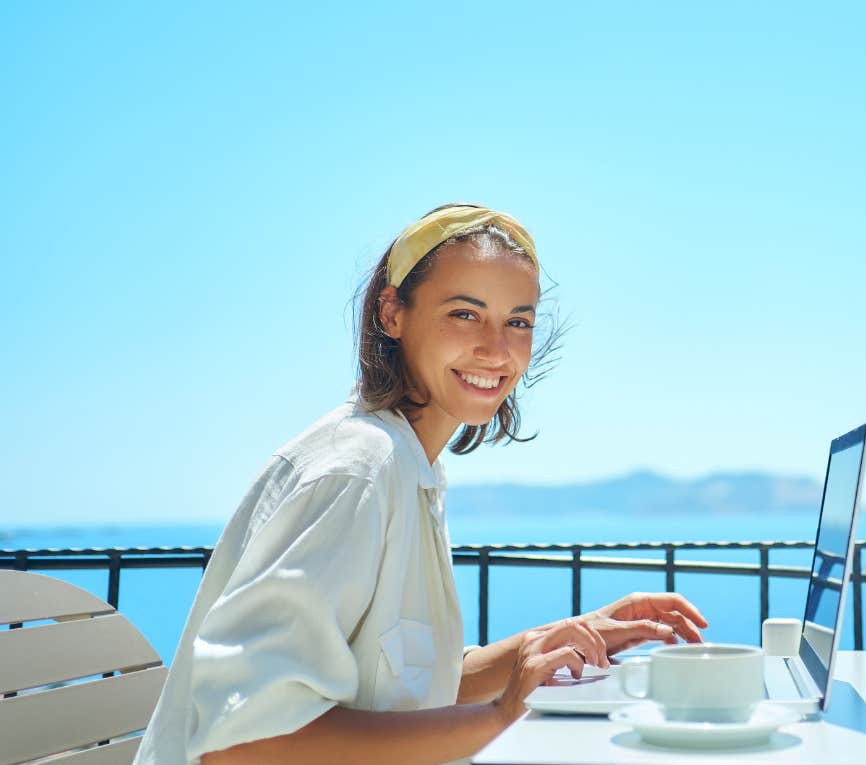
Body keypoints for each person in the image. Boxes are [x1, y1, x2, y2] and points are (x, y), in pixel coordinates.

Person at [134, 203, 709, 765]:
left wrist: (565, 638)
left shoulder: (410, 464)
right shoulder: (358, 471)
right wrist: (498, 717)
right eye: (465, 314)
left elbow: (411, 689)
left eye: (518, 322)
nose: (496, 348)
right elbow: (245, 747)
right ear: (392, 313)